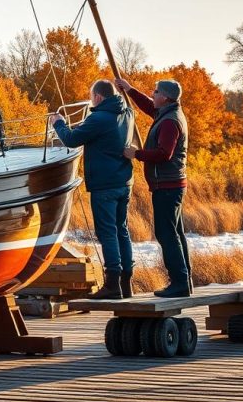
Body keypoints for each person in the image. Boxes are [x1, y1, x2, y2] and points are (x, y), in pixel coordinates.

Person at [49, 79, 136, 299]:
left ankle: (112, 284)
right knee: (121, 230)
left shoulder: (98, 118)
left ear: (97, 97)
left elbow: (70, 139)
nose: (90, 100)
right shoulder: (127, 113)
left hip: (104, 184)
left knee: (107, 232)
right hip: (124, 181)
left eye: (91, 96)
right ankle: (127, 283)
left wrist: (58, 123)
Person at [116, 77, 192, 298]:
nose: (153, 93)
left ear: (166, 97)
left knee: (167, 234)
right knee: (176, 233)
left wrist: (136, 154)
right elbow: (149, 105)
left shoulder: (169, 122)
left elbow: (164, 154)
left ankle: (179, 283)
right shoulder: (167, 113)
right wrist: (130, 90)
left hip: (167, 186)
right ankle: (184, 280)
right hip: (171, 184)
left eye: (156, 91)